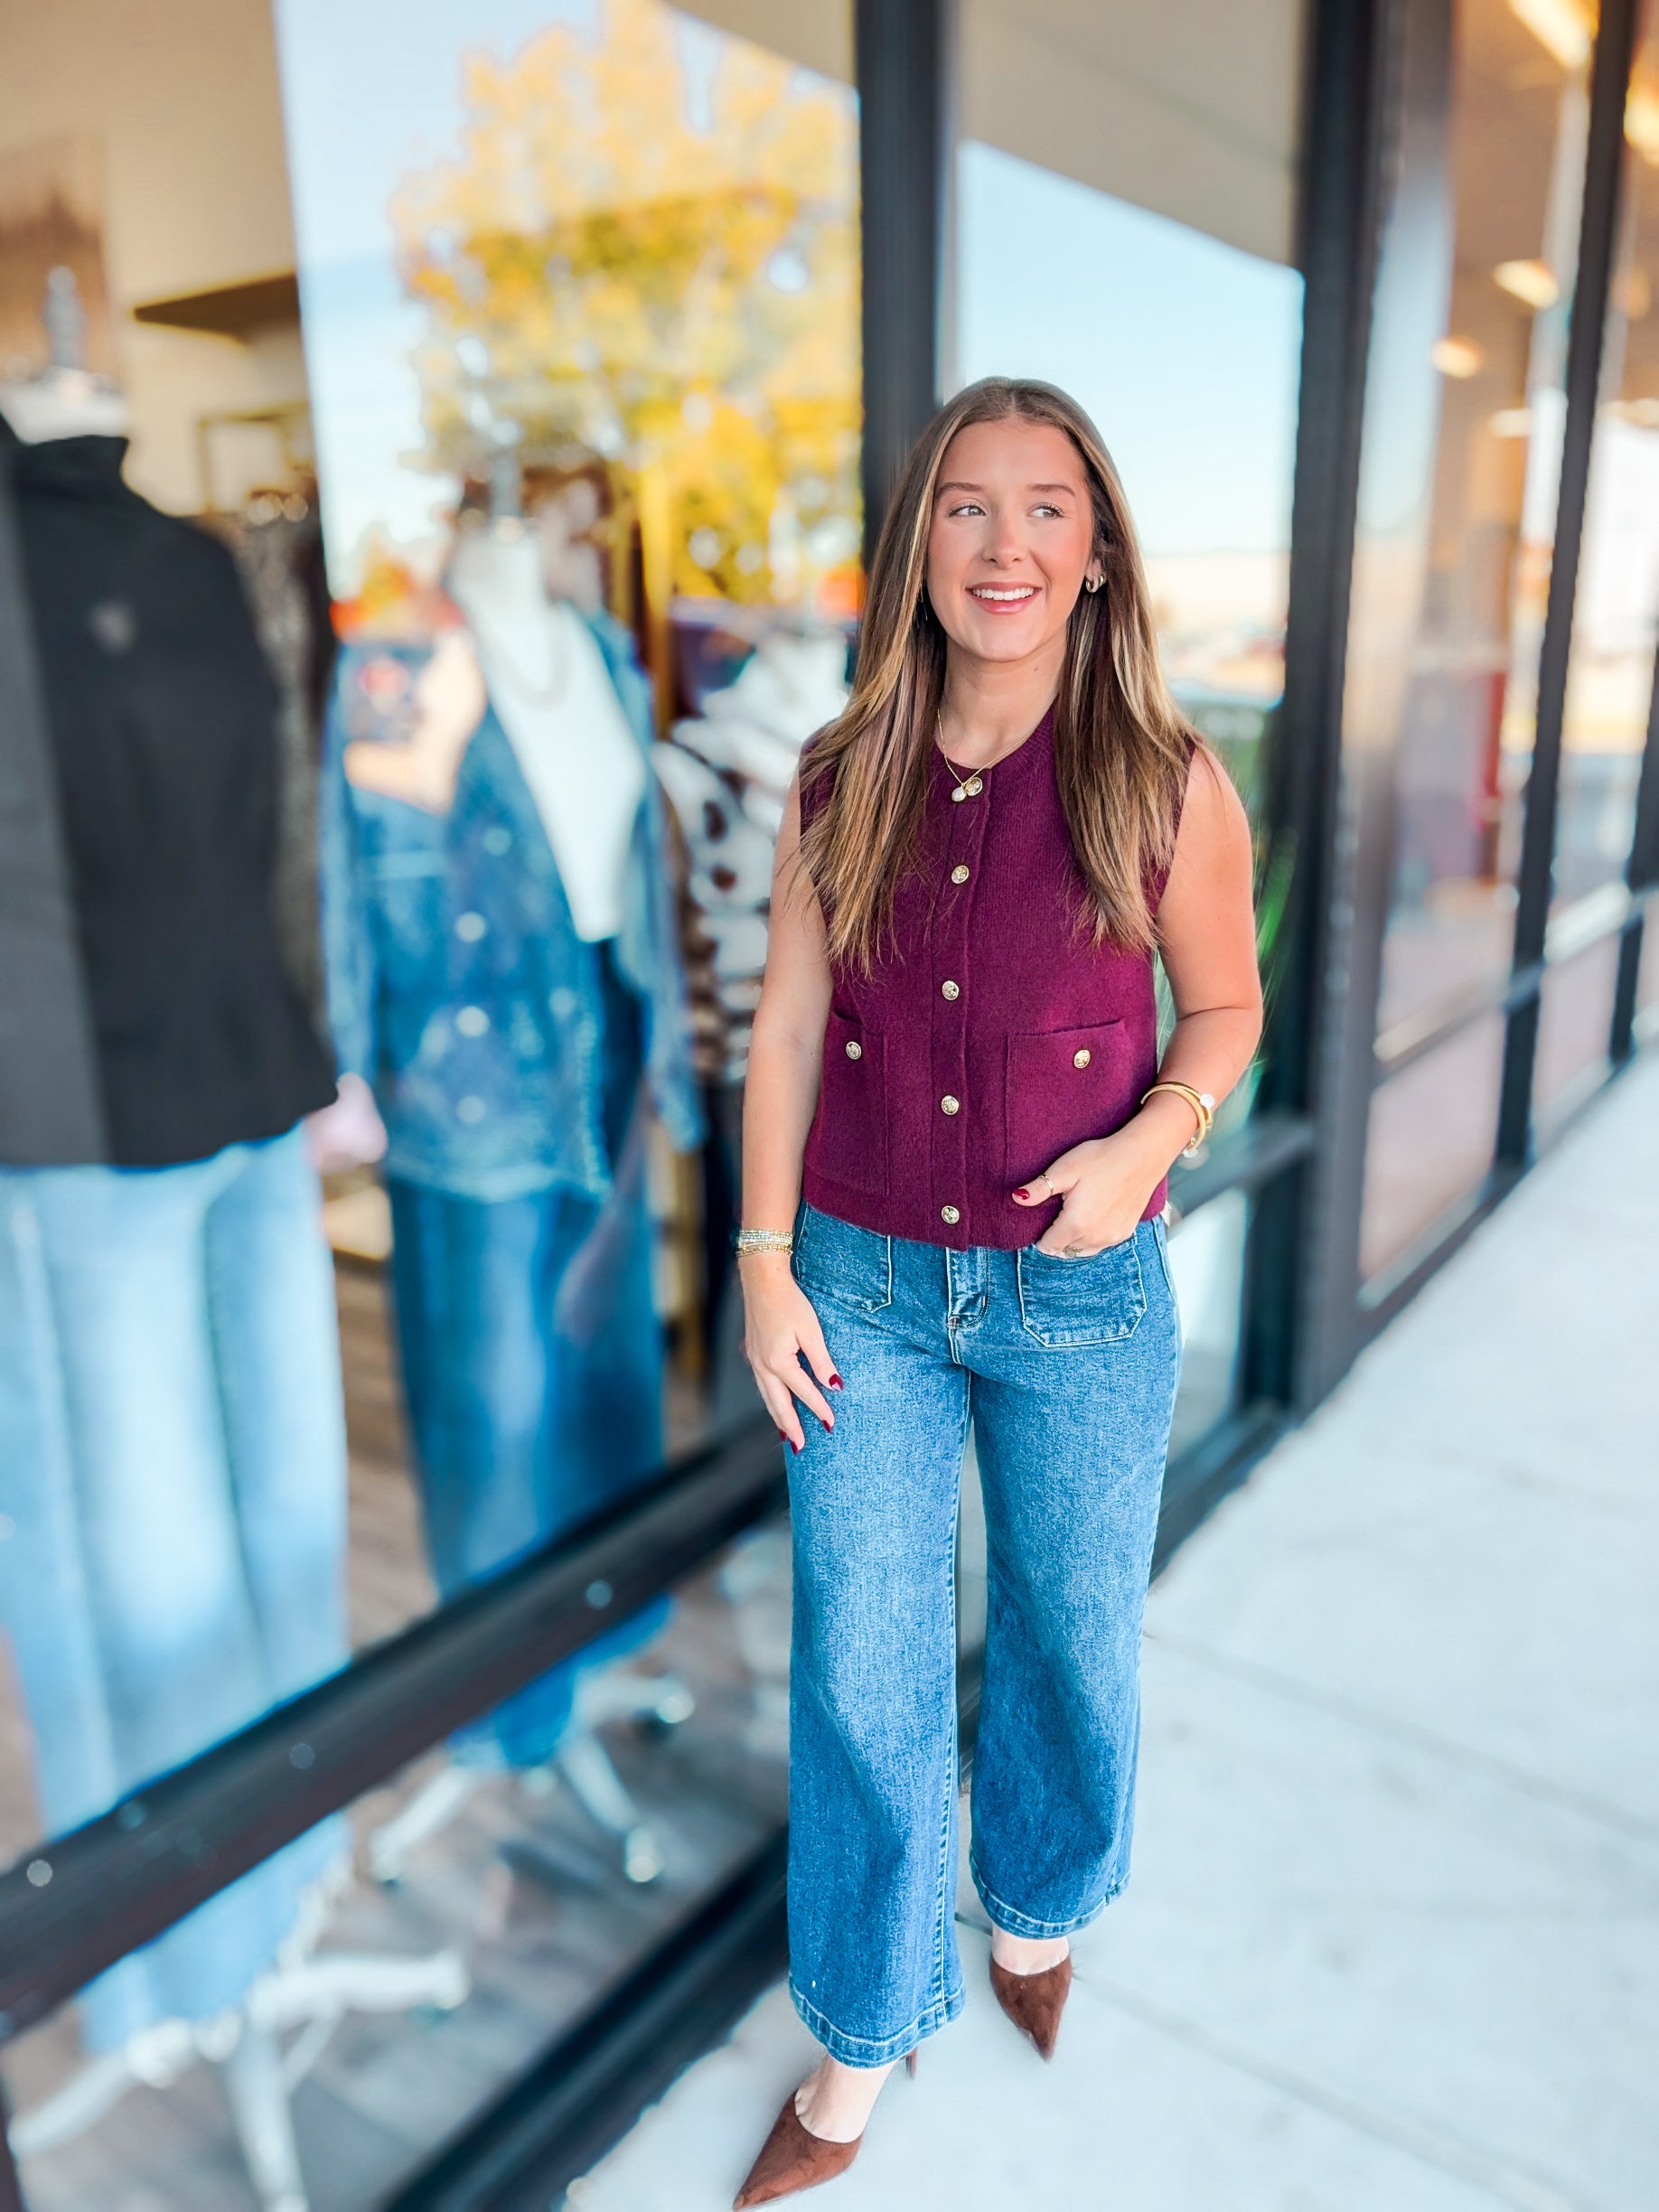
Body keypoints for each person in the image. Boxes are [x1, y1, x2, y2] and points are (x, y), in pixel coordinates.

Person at [730, 379, 1261, 2204]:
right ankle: (862, 2043)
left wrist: (1150, 1147)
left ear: (1097, 550)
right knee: (863, 1672)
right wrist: (760, 1263)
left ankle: (1035, 1909)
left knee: (1070, 1636)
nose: (1007, 544)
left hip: (1083, 1300)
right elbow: (788, 1024)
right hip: (861, 1290)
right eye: (968, 507)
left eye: (1047, 509)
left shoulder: (1166, 779)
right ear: (920, 547)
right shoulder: (835, 775)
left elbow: (1230, 1010)